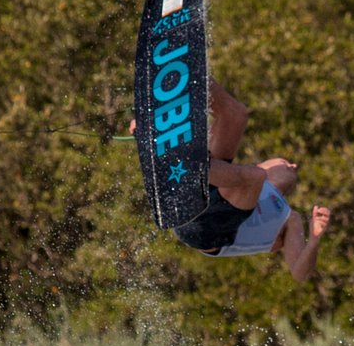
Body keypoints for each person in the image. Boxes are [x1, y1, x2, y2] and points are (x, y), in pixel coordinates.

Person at [138, 83, 331, 281]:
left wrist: (315, 239)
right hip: (203, 190)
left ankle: (169, 155)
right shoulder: (241, 178)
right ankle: (191, 78)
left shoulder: (289, 218)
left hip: (205, 232)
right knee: (236, 114)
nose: (293, 165)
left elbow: (300, 274)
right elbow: (240, 174)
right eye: (288, 163)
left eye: (290, 166)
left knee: (253, 177)